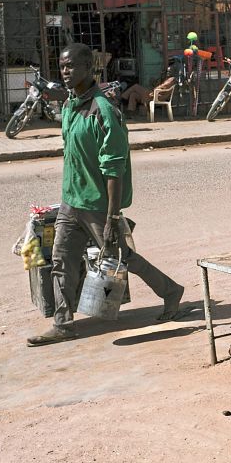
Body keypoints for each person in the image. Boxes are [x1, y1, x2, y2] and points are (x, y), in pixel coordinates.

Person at [27, 43, 184, 346]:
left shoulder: (104, 110)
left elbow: (114, 168)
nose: (65, 71)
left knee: (121, 258)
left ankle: (170, 290)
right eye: (62, 66)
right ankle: (63, 323)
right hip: (71, 202)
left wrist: (113, 216)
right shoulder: (72, 105)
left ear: (90, 68)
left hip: (99, 206)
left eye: (71, 66)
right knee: (61, 260)